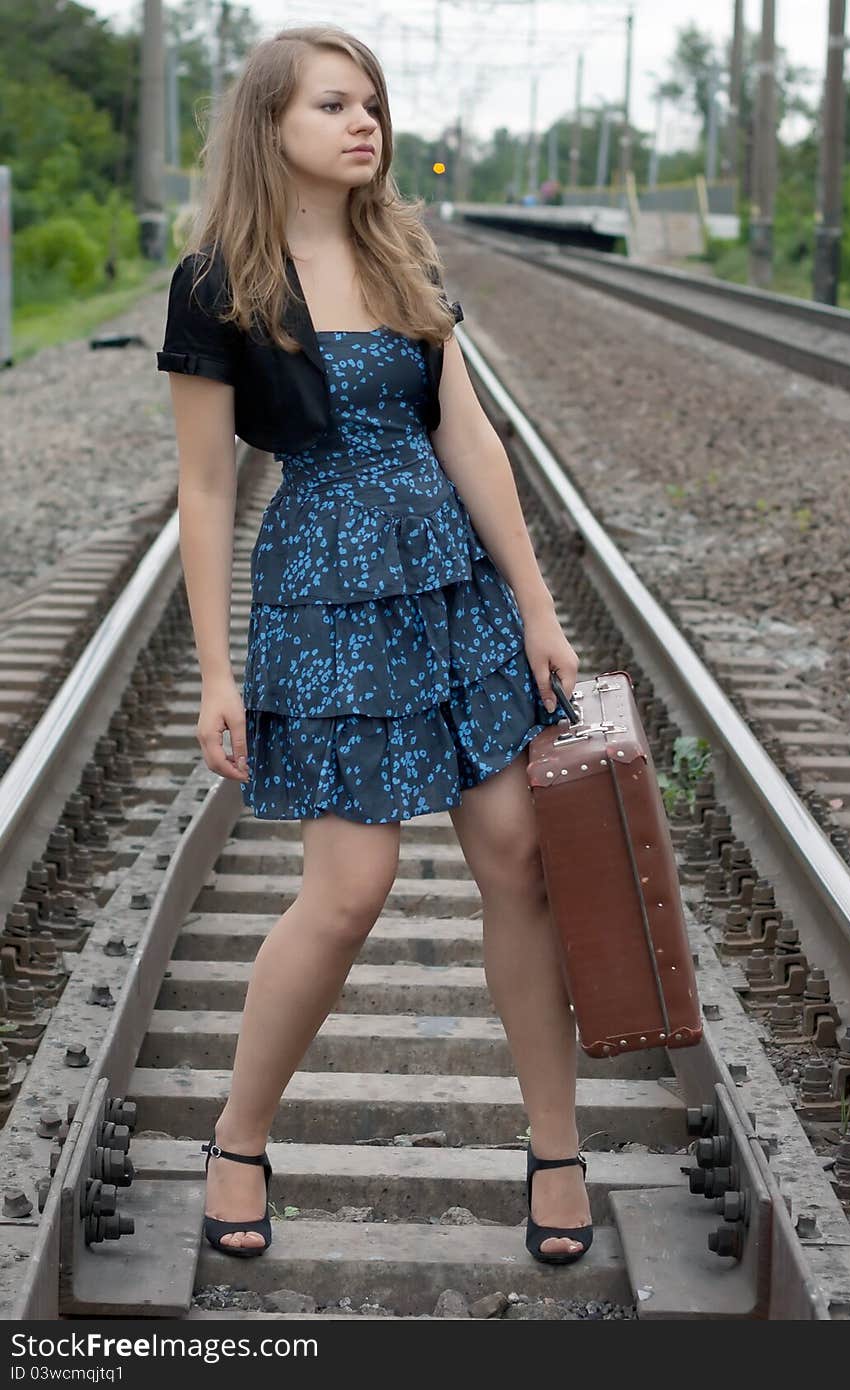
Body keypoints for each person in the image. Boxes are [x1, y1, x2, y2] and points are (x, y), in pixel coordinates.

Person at [157, 24, 591, 1266]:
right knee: (349, 893)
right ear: (269, 126)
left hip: (450, 589)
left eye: (374, 106)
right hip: (326, 601)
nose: (365, 125)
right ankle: (238, 1138)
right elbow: (203, 487)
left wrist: (536, 605)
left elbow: (470, 440)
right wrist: (219, 670)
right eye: (335, 105)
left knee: (517, 857)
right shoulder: (217, 282)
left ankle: (553, 1146)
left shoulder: (401, 249)